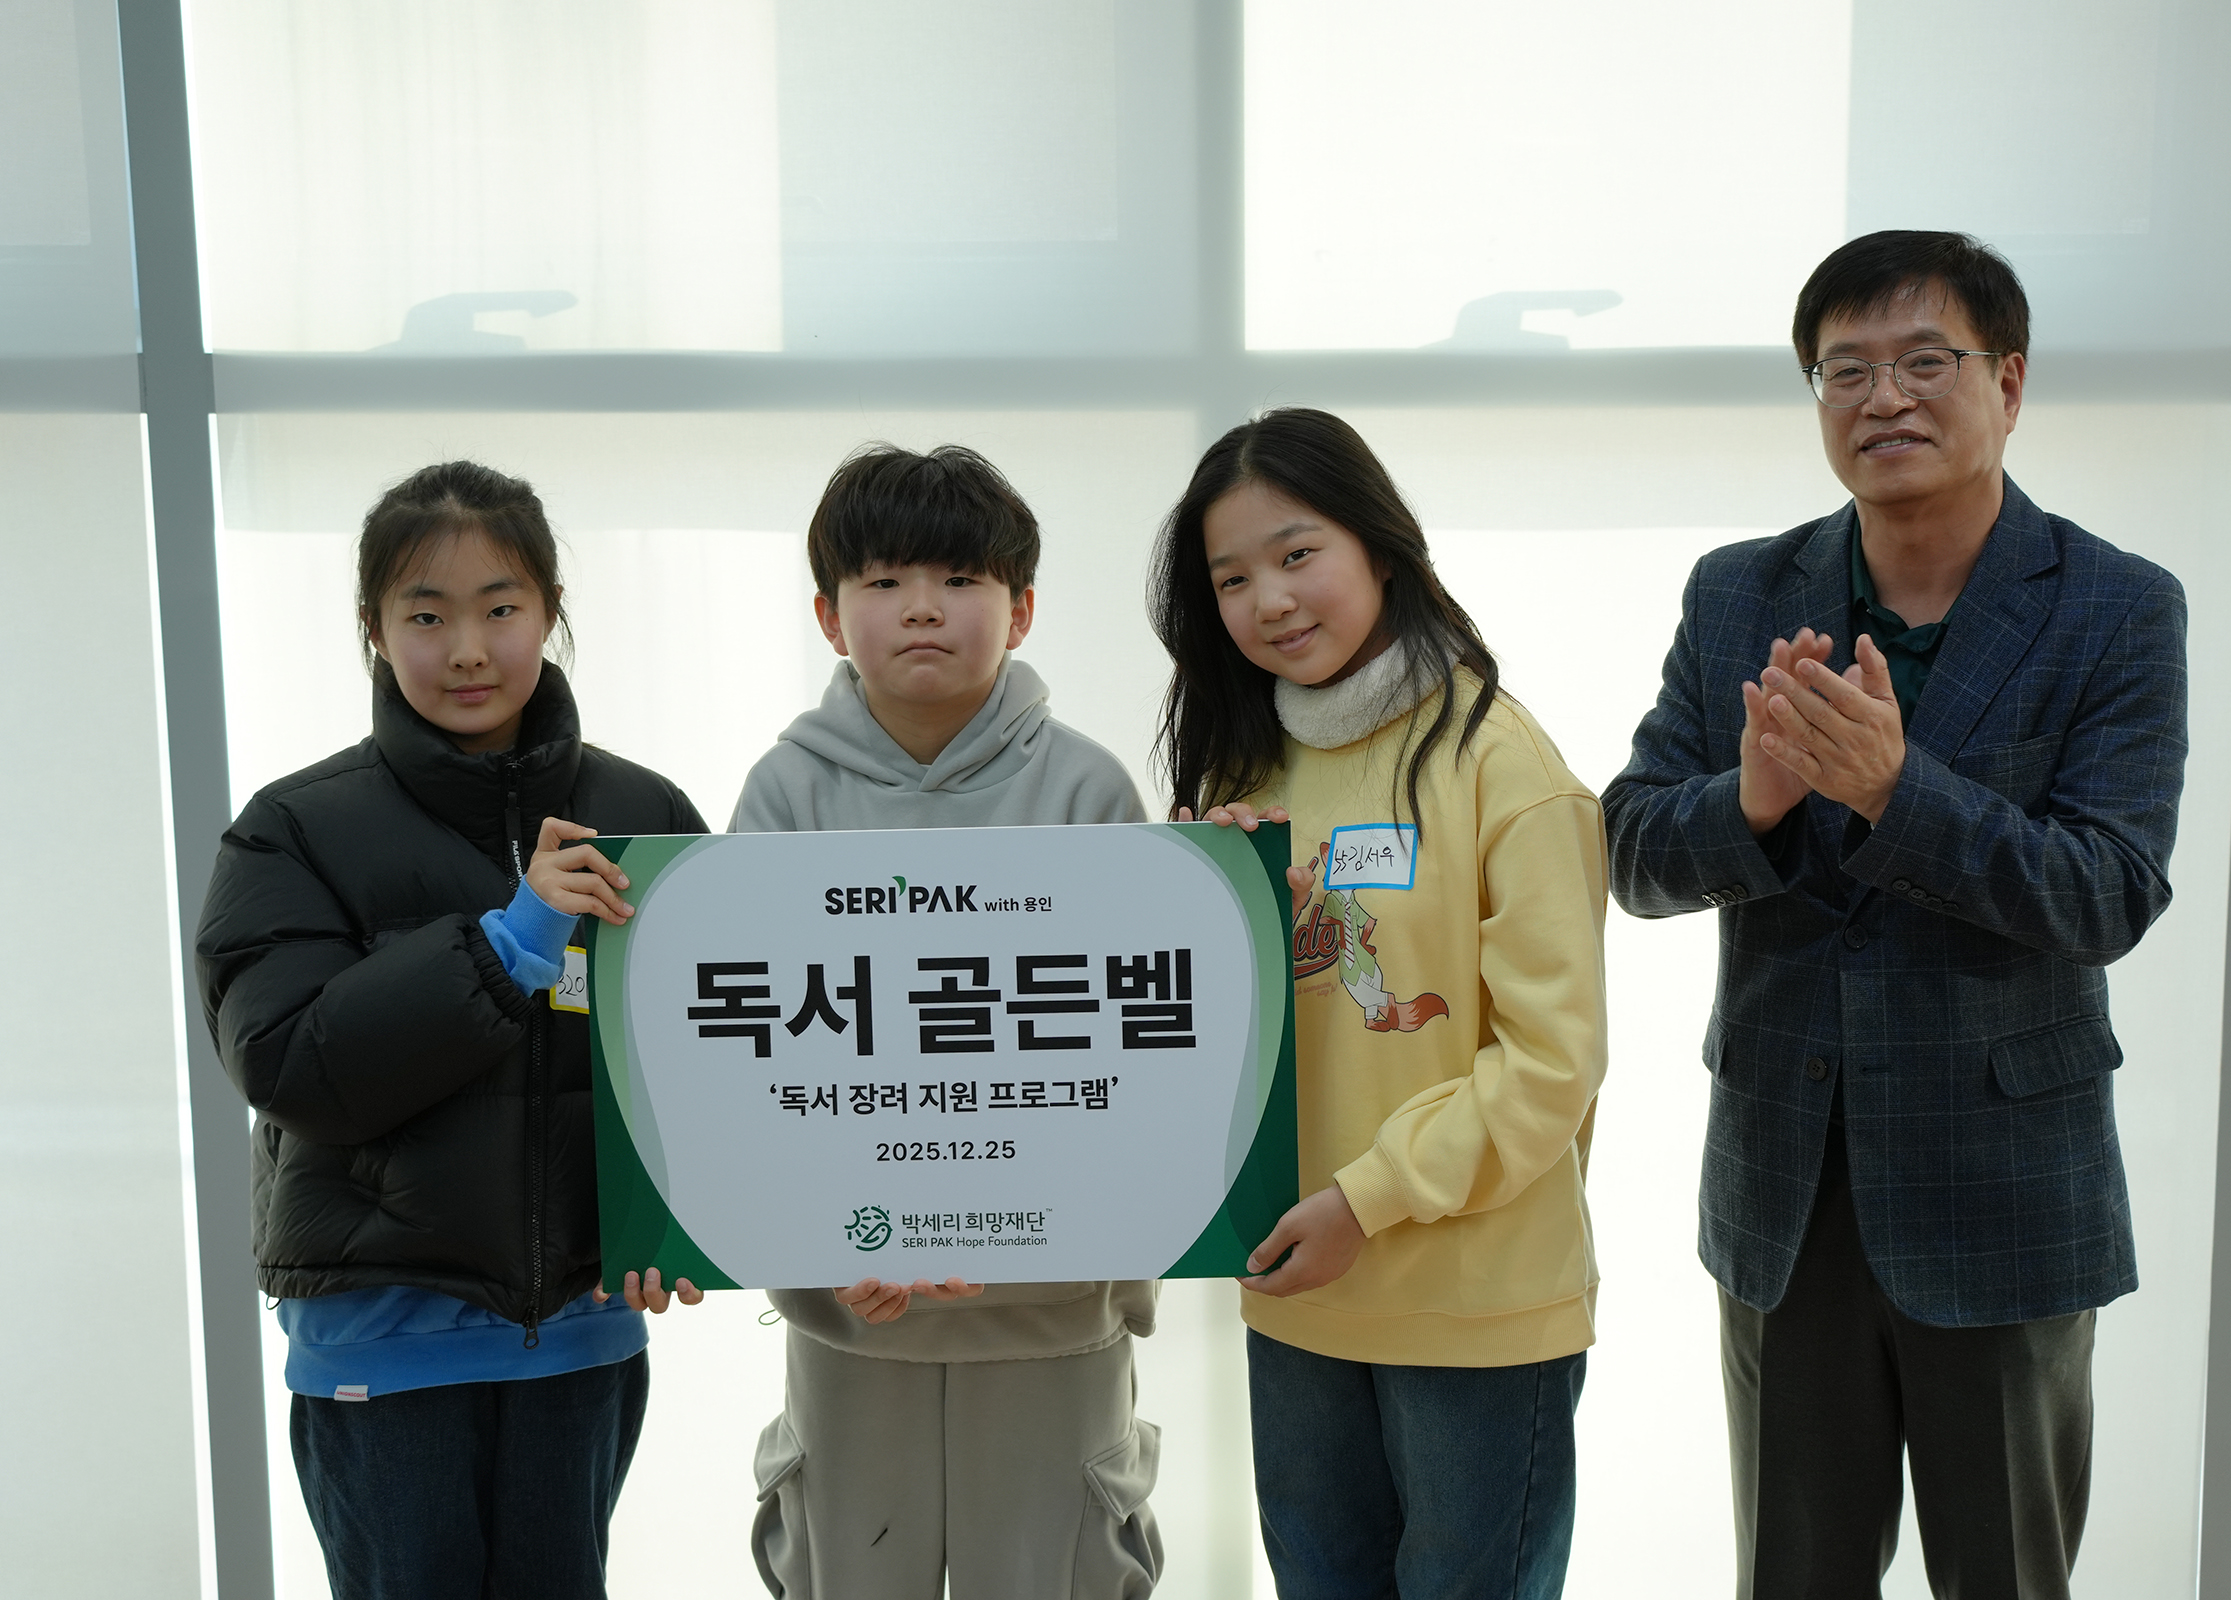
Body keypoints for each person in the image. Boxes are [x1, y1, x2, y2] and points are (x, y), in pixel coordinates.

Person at [1603, 231, 2190, 1599]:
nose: (1884, 398)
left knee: (2007, 1576)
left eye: (1927, 361)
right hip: (1785, 1192)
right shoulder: (1739, 590)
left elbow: (2110, 888)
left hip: (2005, 1195)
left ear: (2009, 383)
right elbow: (1631, 850)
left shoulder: (2115, 605)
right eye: (1846, 369)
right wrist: (1750, 804)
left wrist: (1892, 790)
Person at [196, 461, 708, 1599]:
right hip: (381, 1342)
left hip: (581, 1337)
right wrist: (509, 943)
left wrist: (679, 1225)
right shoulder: (291, 829)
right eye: (426, 615)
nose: (468, 649)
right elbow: (287, 1062)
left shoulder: (646, 814)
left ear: (550, 611)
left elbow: (706, 1057)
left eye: (500, 608)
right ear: (373, 627)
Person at [1152, 407, 1608, 1599]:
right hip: (1298, 1300)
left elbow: (1552, 1065)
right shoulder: (1242, 772)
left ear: (1382, 549)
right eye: (1232, 578)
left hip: (1476, 1309)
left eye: (1298, 553)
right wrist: (1196, 895)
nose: (1269, 600)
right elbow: (1190, 1044)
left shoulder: (1503, 764)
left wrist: (1369, 1198)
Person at [736, 444, 1161, 1600]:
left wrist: (1015, 1228)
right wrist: (826, 1241)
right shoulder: (785, 794)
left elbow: (1137, 1067)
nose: (922, 606)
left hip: (1053, 1318)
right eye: (883, 581)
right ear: (829, 616)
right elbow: (750, 1067)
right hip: (853, 1313)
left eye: (960, 579)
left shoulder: (1090, 792)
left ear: (1021, 610)